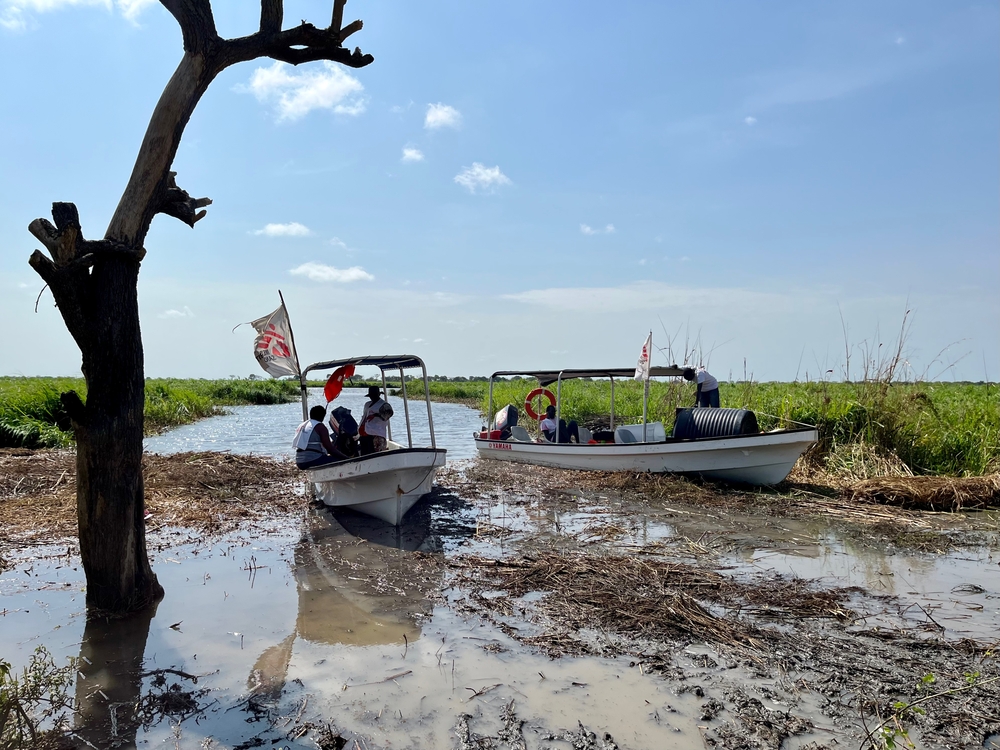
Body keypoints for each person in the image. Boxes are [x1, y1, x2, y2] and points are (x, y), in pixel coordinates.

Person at [359, 385, 394, 455]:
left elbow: (389, 413)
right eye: (371, 396)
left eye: (374, 395)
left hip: (377, 434)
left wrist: (376, 415)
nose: (372, 397)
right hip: (365, 433)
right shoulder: (367, 404)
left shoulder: (384, 405)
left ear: (378, 395)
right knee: (365, 454)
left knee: (376, 454)